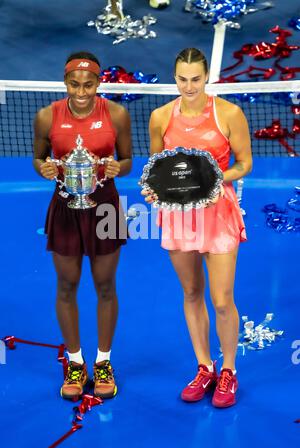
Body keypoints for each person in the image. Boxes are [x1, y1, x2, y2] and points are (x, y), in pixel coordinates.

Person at [143, 48, 252, 408]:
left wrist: (217, 180)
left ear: (207, 77)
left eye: (196, 78)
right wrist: (152, 191)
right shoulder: (160, 117)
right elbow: (156, 167)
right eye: (182, 78)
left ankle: (229, 370)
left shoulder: (229, 114)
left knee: (221, 300)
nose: (189, 86)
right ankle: (205, 366)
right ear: (174, 77)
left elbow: (245, 162)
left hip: (218, 213)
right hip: (179, 217)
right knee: (191, 293)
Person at [33, 51, 132, 400]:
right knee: (66, 285)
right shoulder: (47, 116)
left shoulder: (117, 114)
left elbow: (127, 159)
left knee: (105, 285)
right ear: (65, 82)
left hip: (105, 208)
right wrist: (43, 168)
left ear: (99, 83)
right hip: (64, 209)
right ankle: (76, 363)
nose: (81, 91)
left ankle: (103, 361)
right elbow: (38, 156)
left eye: (88, 84)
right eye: (74, 84)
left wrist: (121, 168)